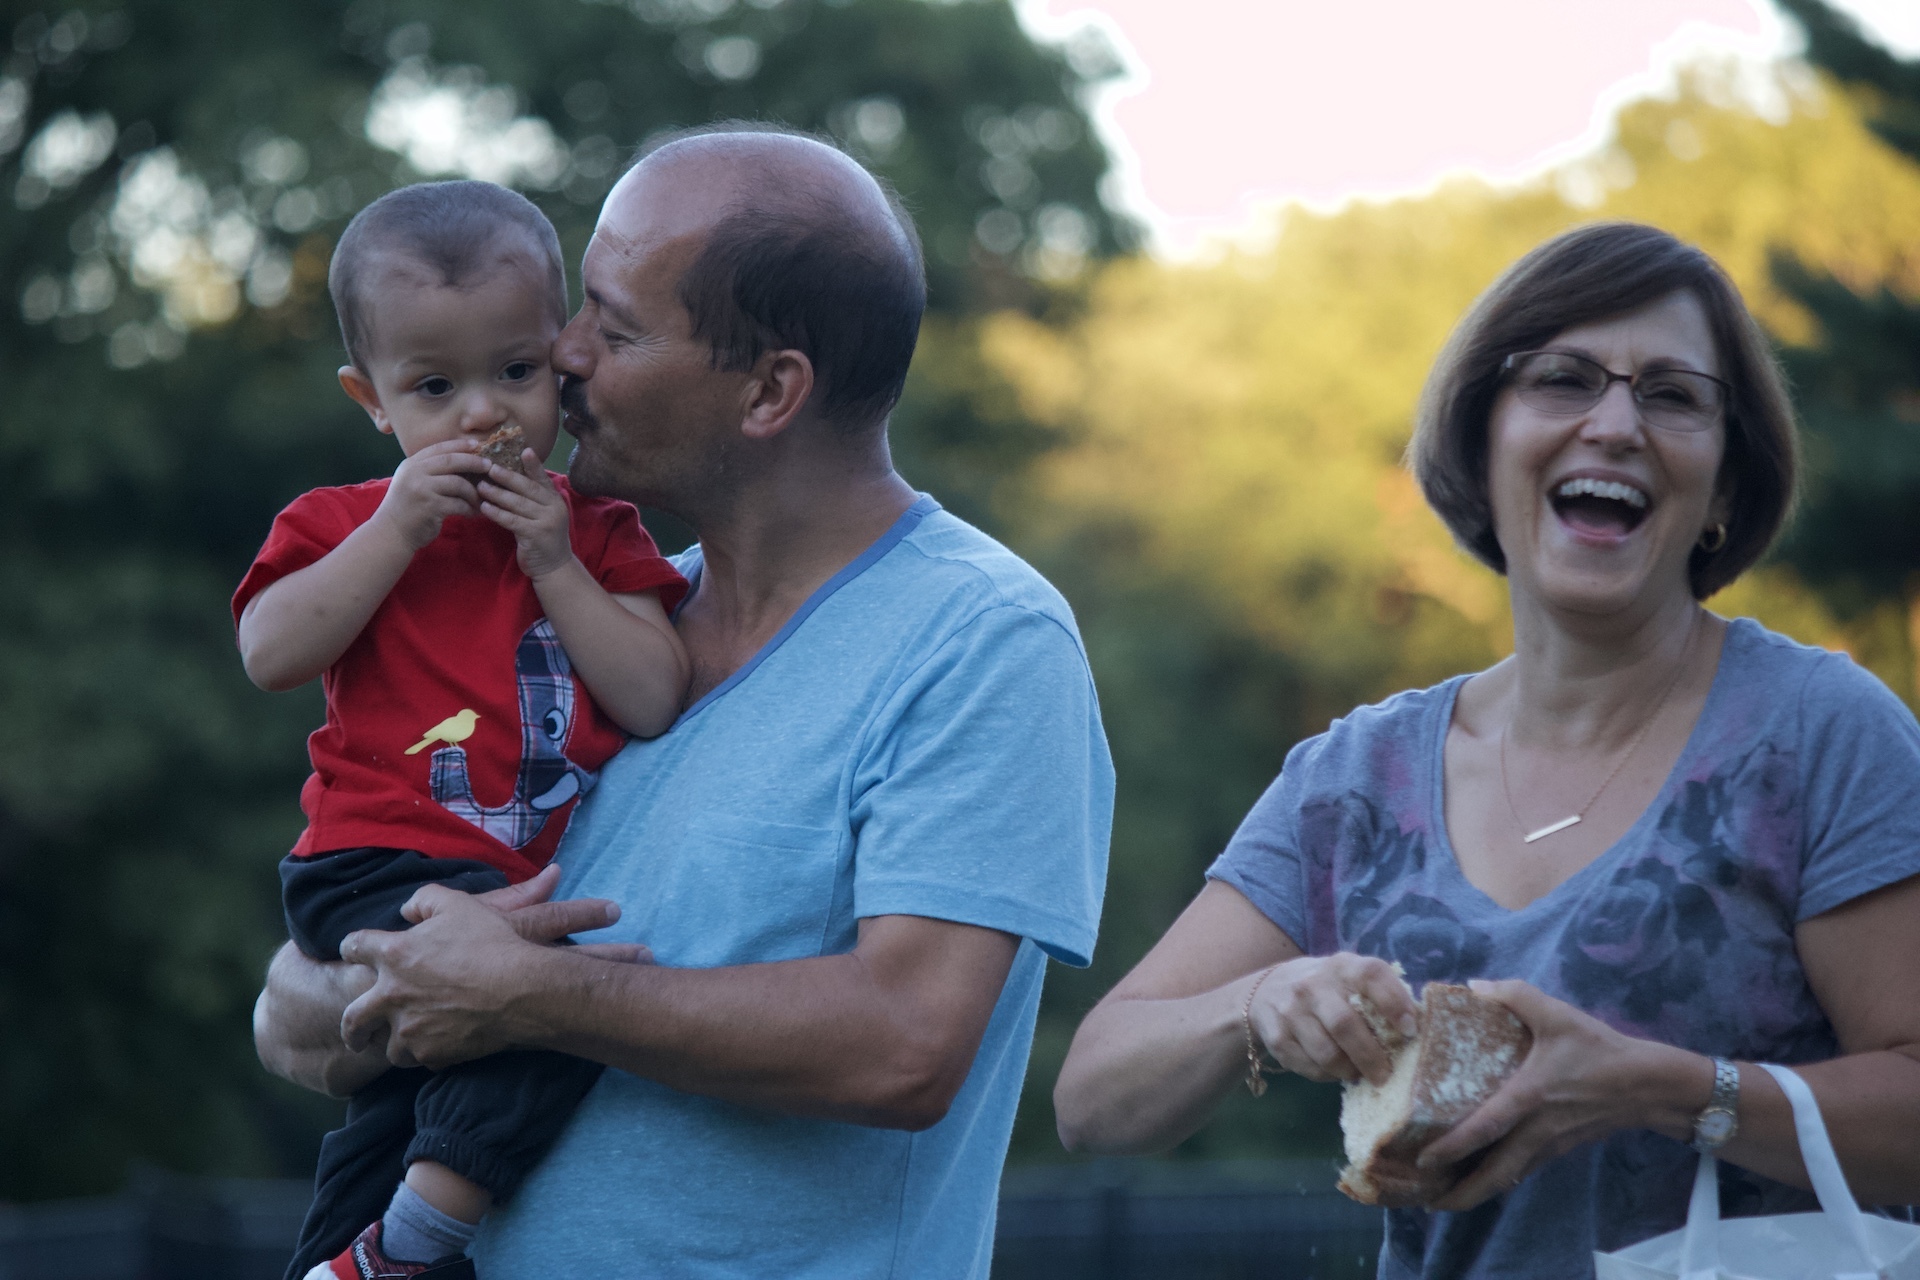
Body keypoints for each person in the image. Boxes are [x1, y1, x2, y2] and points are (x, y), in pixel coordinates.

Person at [253, 126, 1113, 1280]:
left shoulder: (982, 639)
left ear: (769, 390)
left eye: (612, 326)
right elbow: (286, 1016)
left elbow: (907, 1045)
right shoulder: (597, 612)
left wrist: (531, 993)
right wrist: (407, 981)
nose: (559, 353)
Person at [1052, 222, 1920, 1278]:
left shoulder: (1821, 729)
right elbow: (1093, 1094)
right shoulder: (1353, 779)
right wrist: (1259, 1002)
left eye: (1673, 394)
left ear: (1725, 490)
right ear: (1480, 441)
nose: (1614, 422)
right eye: (1563, 379)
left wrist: (1656, 1085)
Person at [235, 180, 692, 1277]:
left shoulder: (596, 531)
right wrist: (396, 527)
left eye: (516, 372)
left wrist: (554, 564)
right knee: (560, 1010)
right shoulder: (343, 522)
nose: (483, 411)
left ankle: (346, 1255)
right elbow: (270, 651)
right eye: (435, 386)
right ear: (373, 399)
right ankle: (419, 1239)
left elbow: (653, 693)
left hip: (512, 881)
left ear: (561, 362)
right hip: (370, 858)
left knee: (393, 1115)